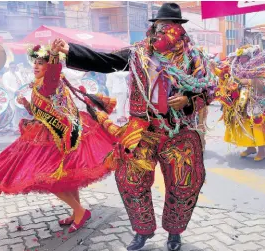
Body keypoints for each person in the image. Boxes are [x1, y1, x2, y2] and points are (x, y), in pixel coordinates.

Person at [52, 3, 216, 251]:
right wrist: (70, 50)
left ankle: (174, 232)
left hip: (179, 131)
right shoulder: (138, 53)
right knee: (130, 179)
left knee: (185, 182)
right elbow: (106, 61)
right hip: (142, 130)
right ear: (154, 27)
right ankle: (142, 230)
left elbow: (208, 90)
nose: (164, 31)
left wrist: (189, 100)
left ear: (179, 30)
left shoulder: (194, 58)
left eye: (170, 26)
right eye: (160, 26)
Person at [0, 43, 116, 233]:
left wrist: (53, 54)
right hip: (50, 133)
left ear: (48, 66)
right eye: (35, 63)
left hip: (59, 137)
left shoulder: (49, 81)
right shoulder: (39, 84)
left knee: (50, 179)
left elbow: (54, 70)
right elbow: (41, 112)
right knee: (66, 178)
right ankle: (77, 212)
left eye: (41, 63)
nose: (36, 66)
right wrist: (27, 103)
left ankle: (80, 211)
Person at [219, 45, 265, 161]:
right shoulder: (236, 67)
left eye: (244, 56)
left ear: (250, 57)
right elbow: (227, 77)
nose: (241, 59)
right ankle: (250, 148)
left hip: (256, 101)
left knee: (257, 124)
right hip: (241, 100)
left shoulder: (259, 66)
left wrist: (249, 81)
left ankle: (262, 150)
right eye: (239, 57)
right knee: (244, 124)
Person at [2, 62, 24, 134]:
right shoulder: (6, 75)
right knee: (14, 111)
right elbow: (6, 86)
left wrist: (23, 90)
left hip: (19, 95)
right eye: (12, 67)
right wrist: (15, 91)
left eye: (14, 67)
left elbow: (22, 82)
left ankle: (19, 126)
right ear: (9, 67)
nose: (13, 68)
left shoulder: (18, 74)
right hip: (12, 95)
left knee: (19, 111)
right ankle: (14, 128)